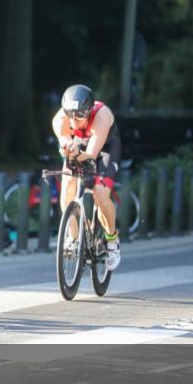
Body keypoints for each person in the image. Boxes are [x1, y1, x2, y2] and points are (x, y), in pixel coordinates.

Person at [51, 84, 121, 270]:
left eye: (80, 115)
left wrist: (77, 153)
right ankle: (73, 238)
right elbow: (65, 139)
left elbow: (90, 155)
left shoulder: (102, 116)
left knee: (99, 191)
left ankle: (112, 240)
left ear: (89, 112)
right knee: (67, 185)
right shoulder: (60, 118)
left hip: (104, 147)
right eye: (70, 115)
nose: (74, 120)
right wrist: (67, 145)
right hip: (80, 144)